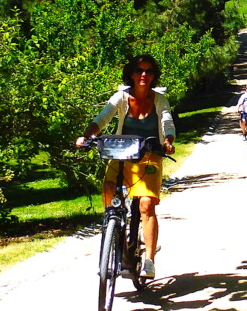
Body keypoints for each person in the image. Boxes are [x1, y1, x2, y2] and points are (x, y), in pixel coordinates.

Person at [75, 54, 175, 279]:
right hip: (121, 156)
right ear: (131, 73)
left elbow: (166, 120)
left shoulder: (159, 99)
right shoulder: (121, 97)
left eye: (149, 72)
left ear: (154, 76)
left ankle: (149, 260)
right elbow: (103, 117)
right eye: (139, 70)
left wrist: (168, 140)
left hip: (149, 156)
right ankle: (113, 229)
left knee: (147, 205)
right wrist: (87, 135)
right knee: (110, 191)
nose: (143, 75)